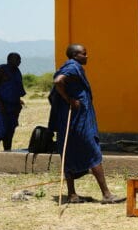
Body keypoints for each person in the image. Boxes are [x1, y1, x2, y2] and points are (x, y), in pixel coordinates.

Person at [47, 44, 124, 204]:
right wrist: (70, 99)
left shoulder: (69, 67)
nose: (87, 56)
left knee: (69, 152)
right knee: (93, 151)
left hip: (69, 121)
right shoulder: (73, 67)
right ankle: (107, 194)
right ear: (75, 55)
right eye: (84, 53)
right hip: (78, 120)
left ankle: (72, 194)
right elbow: (58, 81)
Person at [0, 52, 25, 151]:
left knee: (9, 133)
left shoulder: (17, 72)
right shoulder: (0, 70)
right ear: (9, 60)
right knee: (0, 132)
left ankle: (7, 154)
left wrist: (18, 103)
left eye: (20, 60)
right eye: (17, 59)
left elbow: (17, 89)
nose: (19, 62)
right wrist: (1, 106)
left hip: (13, 107)